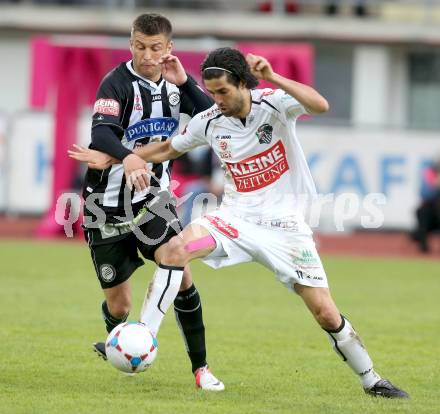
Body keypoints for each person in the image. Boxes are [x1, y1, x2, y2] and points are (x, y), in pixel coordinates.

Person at [70, 47, 409, 398]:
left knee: (325, 312)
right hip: (233, 221)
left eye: (223, 92)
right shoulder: (211, 121)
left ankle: (372, 379)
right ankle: (144, 335)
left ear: (244, 84)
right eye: (211, 92)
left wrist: (274, 77)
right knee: (175, 250)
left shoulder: (274, 104)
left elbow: (319, 105)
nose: (215, 100)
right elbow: (166, 149)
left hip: (286, 231)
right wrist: (116, 156)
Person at [77, 13, 223, 391]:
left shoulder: (176, 87)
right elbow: (101, 133)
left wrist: (186, 81)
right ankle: (119, 341)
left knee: (183, 275)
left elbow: (213, 118)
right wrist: (128, 157)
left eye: (155, 48)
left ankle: (201, 369)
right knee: (120, 307)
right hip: (104, 208)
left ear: (169, 49)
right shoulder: (117, 83)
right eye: (140, 46)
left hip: (151, 202)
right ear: (131, 44)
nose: (147, 55)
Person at [410, 158, 440, 252]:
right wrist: (435, 186)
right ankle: (422, 245)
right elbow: (424, 194)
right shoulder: (429, 174)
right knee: (422, 212)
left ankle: (416, 235)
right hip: (431, 211)